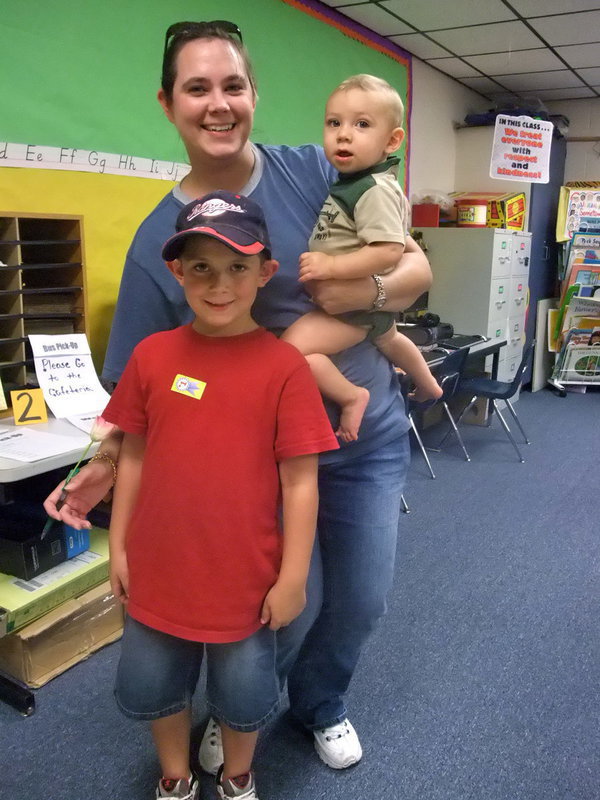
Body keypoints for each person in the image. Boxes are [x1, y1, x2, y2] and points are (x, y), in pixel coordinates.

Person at [44, 20, 432, 779]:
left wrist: (362, 297)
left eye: (232, 86)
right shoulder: (157, 242)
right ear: (168, 104)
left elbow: (415, 271)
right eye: (197, 88)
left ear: (254, 94)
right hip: (258, 464)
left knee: (360, 599)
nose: (217, 104)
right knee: (279, 608)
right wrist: (105, 462)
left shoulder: (318, 168)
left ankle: (320, 704)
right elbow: (143, 387)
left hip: (366, 436)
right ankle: (241, 714)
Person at [101, 190, 339, 800]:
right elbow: (133, 455)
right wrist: (118, 547)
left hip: (245, 578)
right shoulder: (152, 356)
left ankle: (237, 778)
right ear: (177, 271)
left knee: (243, 693)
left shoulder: (285, 368)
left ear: (265, 272)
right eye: (201, 266)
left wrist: (293, 578)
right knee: (156, 683)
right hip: (159, 567)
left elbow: (301, 481)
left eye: (237, 266)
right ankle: (175, 776)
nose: (219, 283)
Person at [282, 74, 442, 442]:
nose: (343, 135)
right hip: (365, 310)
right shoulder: (357, 182)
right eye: (333, 123)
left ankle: (351, 396)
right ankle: (428, 383)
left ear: (392, 140)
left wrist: (332, 266)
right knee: (390, 339)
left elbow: (389, 250)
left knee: (289, 353)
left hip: (352, 310)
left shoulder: (372, 189)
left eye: (362, 125)